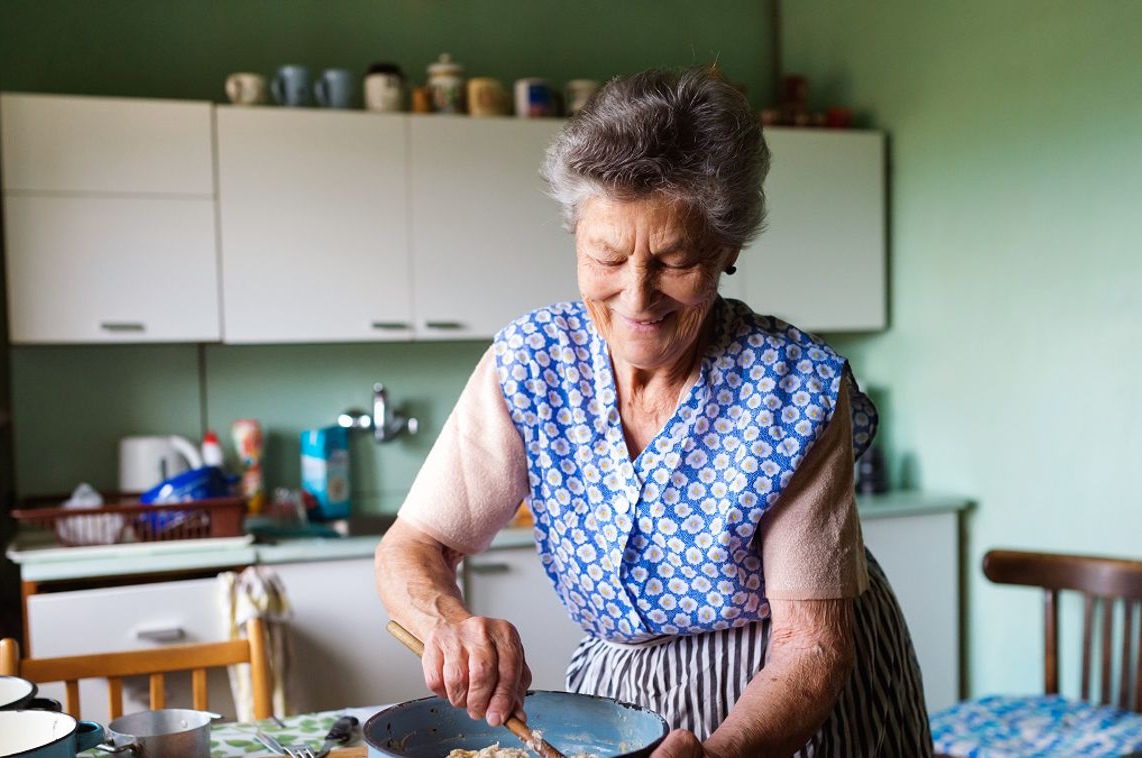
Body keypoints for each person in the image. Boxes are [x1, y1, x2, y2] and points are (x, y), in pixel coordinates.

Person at [375, 67, 930, 757]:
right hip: (623, 690)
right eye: (605, 257)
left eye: (674, 261)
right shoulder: (530, 361)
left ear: (727, 250)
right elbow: (413, 546)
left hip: (787, 699)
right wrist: (447, 622)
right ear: (576, 235)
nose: (636, 298)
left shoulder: (794, 389)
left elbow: (809, 647)